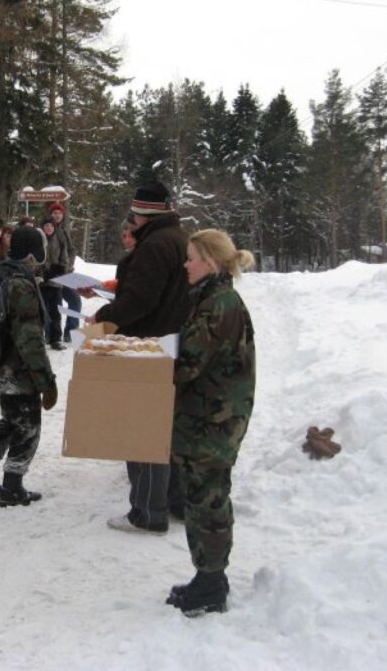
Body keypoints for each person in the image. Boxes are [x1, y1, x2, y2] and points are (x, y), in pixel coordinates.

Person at [166, 230, 255, 616]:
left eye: (191, 257)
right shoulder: (212, 299)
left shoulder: (218, 304)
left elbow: (187, 365)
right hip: (209, 416)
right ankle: (210, 577)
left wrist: (153, 361)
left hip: (213, 420)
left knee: (207, 498)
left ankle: (211, 582)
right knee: (205, 496)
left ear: (211, 262)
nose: (185, 264)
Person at [94, 180, 189, 535]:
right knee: (167, 428)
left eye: (133, 215)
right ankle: (176, 502)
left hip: (148, 348)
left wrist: (104, 317)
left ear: (143, 214)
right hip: (173, 344)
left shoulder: (154, 246)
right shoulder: (180, 240)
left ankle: (148, 511)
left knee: (142, 430)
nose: (130, 221)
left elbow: (141, 300)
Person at [0, 226, 57, 507]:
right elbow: (30, 340)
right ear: (33, 253)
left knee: (11, 420)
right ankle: (13, 487)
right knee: (28, 426)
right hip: (18, 370)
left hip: (0, 365)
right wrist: (46, 380)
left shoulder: (4, 274)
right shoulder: (22, 285)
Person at [49, 202, 80, 343]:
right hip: (54, 275)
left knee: (75, 300)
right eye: (55, 213)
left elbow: (71, 250)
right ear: (50, 214)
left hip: (66, 274)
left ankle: (70, 332)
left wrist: (70, 265)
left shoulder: (64, 230)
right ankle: (53, 335)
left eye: (60, 213)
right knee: (56, 305)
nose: (57, 215)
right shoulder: (48, 229)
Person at [39, 219, 65, 351]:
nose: (48, 228)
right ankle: (39, 338)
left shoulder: (59, 238)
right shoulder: (38, 239)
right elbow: (35, 259)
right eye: (46, 225)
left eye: (50, 225)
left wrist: (61, 268)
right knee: (41, 311)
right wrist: (43, 271)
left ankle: (55, 339)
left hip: (56, 282)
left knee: (56, 312)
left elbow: (64, 257)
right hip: (42, 282)